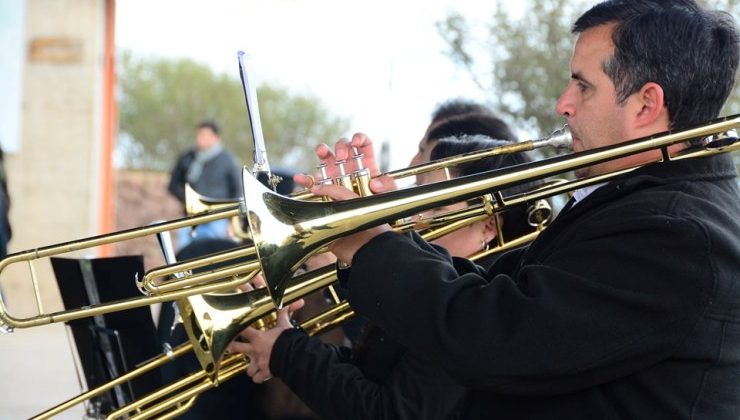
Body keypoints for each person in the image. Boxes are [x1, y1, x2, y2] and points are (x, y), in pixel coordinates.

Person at [242, 1, 740, 418]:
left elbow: (494, 338)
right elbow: (491, 294)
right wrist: (375, 237)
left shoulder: (678, 232)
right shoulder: (646, 201)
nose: (562, 104)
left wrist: (371, 246)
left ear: (646, 106)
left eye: (582, 86)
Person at [230, 132, 544, 420]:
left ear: (489, 226)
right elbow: (373, 371)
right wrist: (283, 344)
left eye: (434, 207)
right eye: (418, 196)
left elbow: (389, 412)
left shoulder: (476, 306)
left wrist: (288, 352)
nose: (415, 215)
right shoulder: (434, 287)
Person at [168, 121, 241, 243]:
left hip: (218, 219)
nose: (200, 139)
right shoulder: (187, 157)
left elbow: (237, 191)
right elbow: (173, 185)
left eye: (205, 135)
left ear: (216, 138)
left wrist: (232, 220)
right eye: (199, 135)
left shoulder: (228, 160)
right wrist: (187, 200)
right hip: (190, 218)